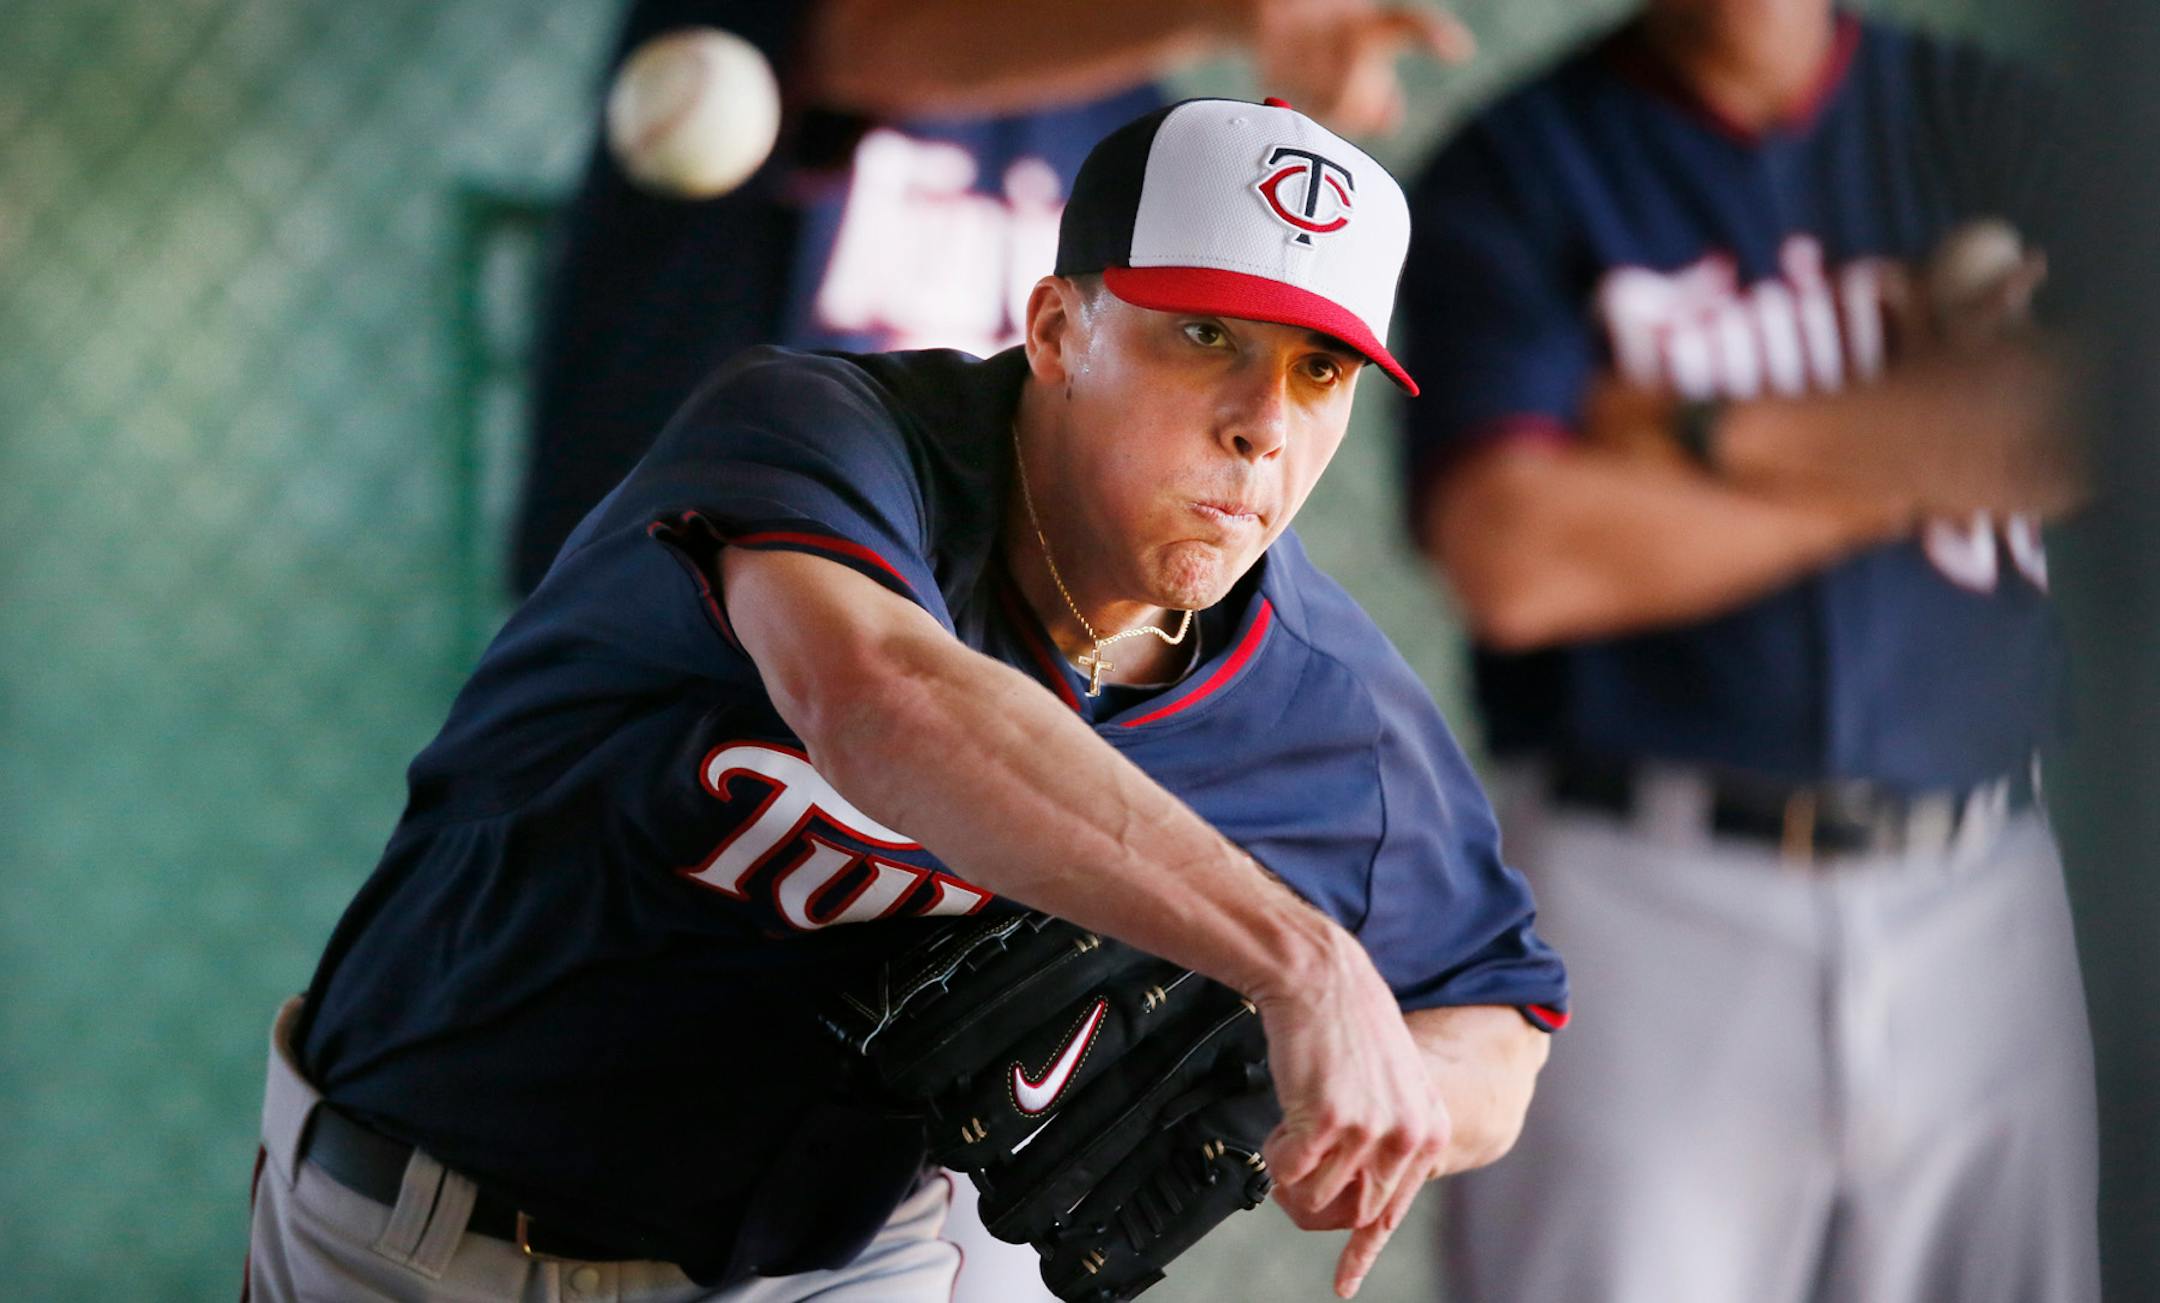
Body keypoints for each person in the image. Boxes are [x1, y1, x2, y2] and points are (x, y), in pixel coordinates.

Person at [245, 98, 1568, 1303]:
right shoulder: (822, 434)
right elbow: (882, 697)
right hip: (422, 1215)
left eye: (1318, 371)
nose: (1262, 423)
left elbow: (1495, 1015)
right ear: (1058, 330)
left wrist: (1347, 1097)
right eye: (1205, 335)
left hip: (841, 1263)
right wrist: (1303, 962)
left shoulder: (1322, 702)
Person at [1394, 2, 2096, 1301]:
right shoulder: (1523, 163)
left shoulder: (1988, 125)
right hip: (1638, 900)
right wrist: (1935, 442)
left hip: (1988, 894)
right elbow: (1515, 555)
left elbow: (2096, 422)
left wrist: (1702, 430)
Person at [511, 0, 1473, 596]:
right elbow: (867, 45)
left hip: (937, 606)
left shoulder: (1118, 98)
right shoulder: (870, 30)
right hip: (678, 587)